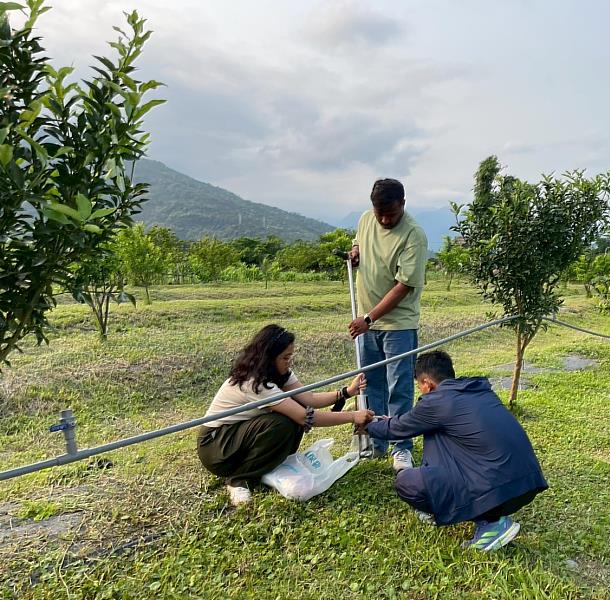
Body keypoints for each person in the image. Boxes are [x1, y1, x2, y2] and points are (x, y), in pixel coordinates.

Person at [366, 350, 548, 551]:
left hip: (499, 490)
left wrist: (367, 426)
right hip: (526, 484)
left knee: (407, 483)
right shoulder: (478, 390)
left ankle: (491, 525)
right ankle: (490, 516)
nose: (421, 391)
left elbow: (397, 429)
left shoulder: (436, 402)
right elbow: (408, 422)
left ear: (427, 383)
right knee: (436, 435)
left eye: (419, 386)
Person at [197, 324, 373, 507]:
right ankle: (239, 480)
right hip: (216, 445)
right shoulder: (254, 383)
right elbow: (306, 417)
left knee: (290, 418)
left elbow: (309, 398)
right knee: (284, 422)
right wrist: (352, 416)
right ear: (269, 358)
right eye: (285, 358)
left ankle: (265, 466)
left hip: (238, 436)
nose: (289, 362)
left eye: (290, 356)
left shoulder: (280, 373)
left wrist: (346, 392)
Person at [347, 178, 428, 472]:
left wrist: (369, 318)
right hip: (368, 324)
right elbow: (359, 240)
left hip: (398, 325)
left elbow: (403, 286)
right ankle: (375, 440)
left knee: (400, 387)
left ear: (403, 204)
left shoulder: (414, 235)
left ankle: (401, 447)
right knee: (372, 384)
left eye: (391, 214)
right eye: (379, 212)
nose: (383, 219)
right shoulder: (366, 219)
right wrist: (355, 252)